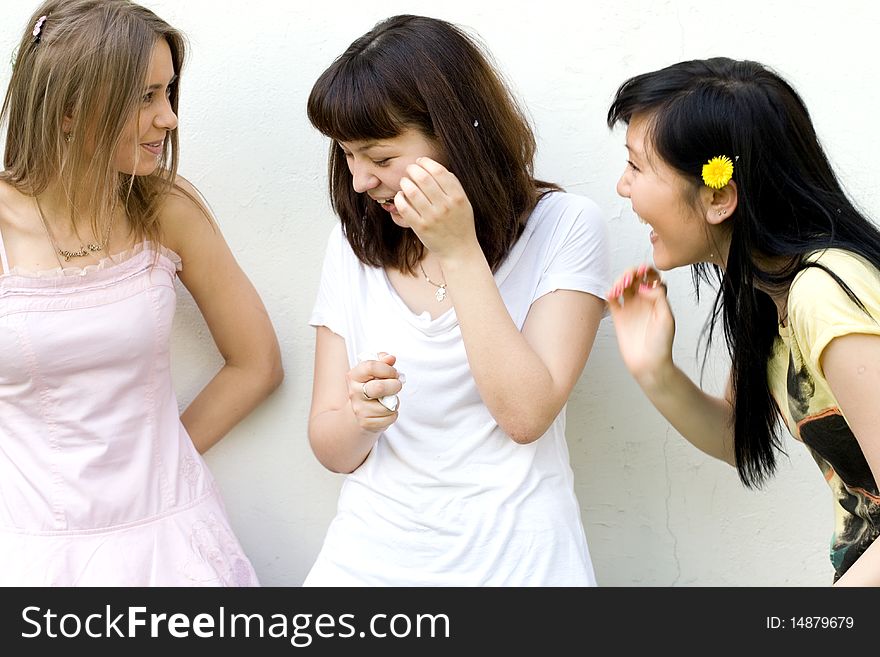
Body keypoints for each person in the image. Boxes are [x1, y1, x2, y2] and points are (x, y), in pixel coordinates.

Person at [303, 14, 609, 587]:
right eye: (347, 155)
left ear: (455, 135)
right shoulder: (354, 245)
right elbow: (332, 447)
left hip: (519, 568)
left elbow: (525, 416)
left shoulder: (565, 227)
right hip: (367, 564)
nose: (362, 180)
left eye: (382, 157)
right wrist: (361, 418)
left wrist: (459, 251)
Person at [0, 0, 283, 585]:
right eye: (145, 97)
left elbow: (257, 363)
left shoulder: (166, 209)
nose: (170, 118)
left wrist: (164, 470)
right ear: (70, 108)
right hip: (31, 552)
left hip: (173, 543)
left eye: (170, 92)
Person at [606, 57, 880, 586]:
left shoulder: (825, 295)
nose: (623, 187)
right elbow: (738, 438)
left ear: (718, 196)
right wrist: (654, 371)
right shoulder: (766, 290)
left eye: (637, 167)